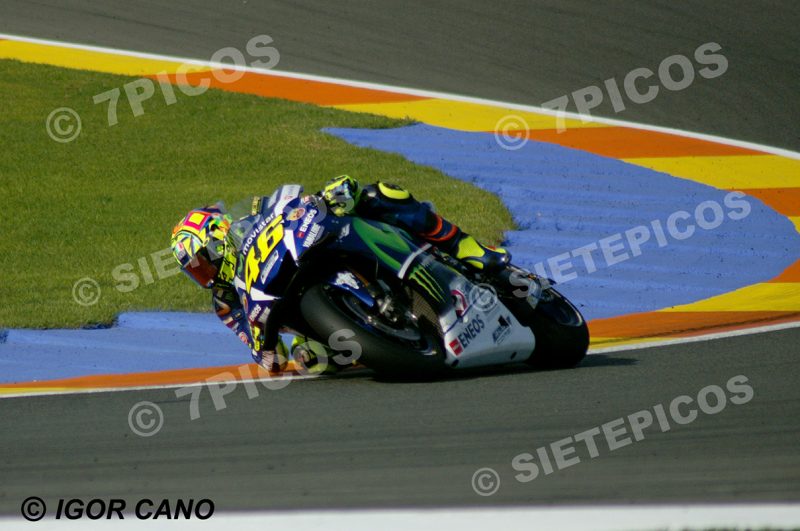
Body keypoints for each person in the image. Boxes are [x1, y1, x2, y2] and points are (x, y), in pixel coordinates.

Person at [170, 176, 510, 373]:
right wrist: (264, 350)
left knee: (376, 193)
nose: (204, 273)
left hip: (310, 248)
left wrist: (326, 196)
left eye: (203, 261)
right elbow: (266, 353)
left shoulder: (251, 217)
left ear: (217, 241)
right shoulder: (224, 301)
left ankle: (467, 248)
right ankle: (386, 341)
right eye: (194, 271)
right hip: (308, 317)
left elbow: (287, 201)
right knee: (310, 361)